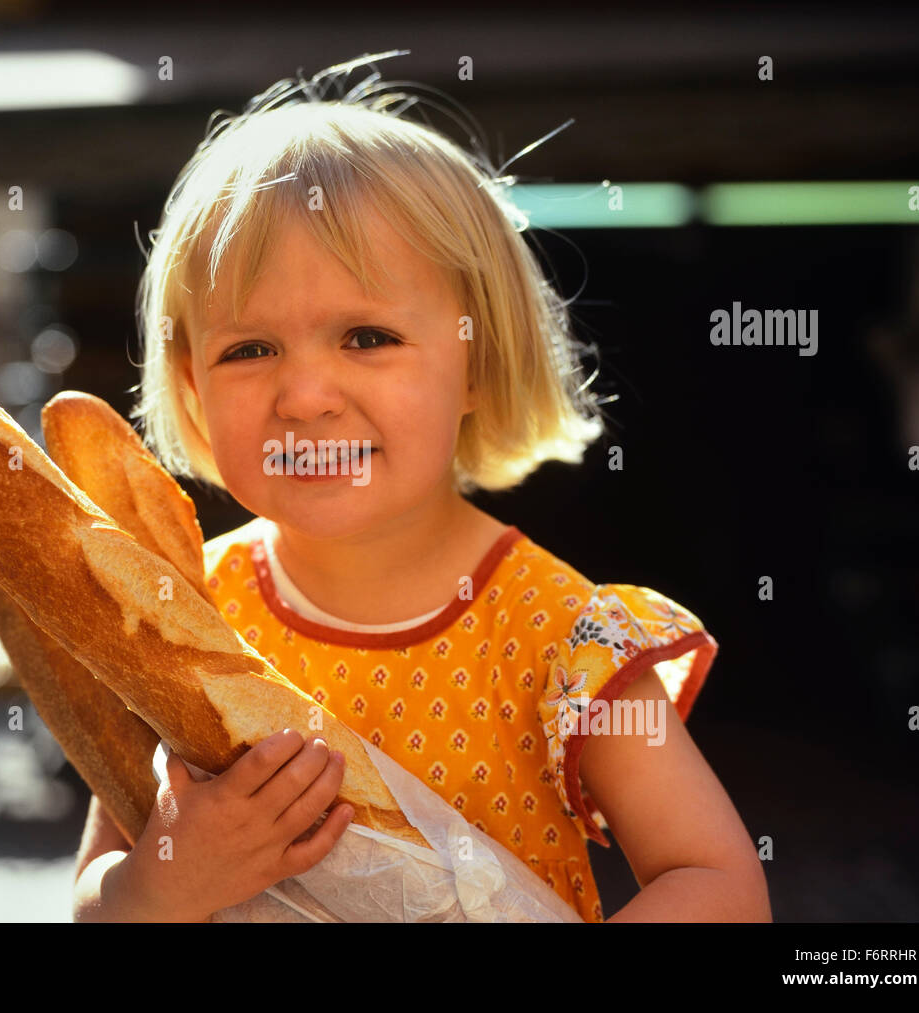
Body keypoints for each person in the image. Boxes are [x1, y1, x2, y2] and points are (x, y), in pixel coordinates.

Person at [73, 54, 770, 923]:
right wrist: (166, 880)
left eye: (367, 336)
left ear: (479, 361)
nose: (304, 395)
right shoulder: (178, 618)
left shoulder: (562, 638)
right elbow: (92, 905)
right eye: (249, 350)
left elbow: (717, 883)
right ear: (190, 389)